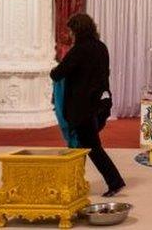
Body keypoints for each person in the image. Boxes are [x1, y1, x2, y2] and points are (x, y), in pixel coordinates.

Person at [50, 13, 126, 197]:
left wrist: (55, 68)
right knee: (81, 145)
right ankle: (75, 182)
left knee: (90, 146)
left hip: (82, 108)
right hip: (101, 105)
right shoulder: (101, 47)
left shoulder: (79, 50)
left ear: (77, 30)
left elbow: (57, 74)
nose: (71, 35)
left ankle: (115, 181)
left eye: (71, 31)